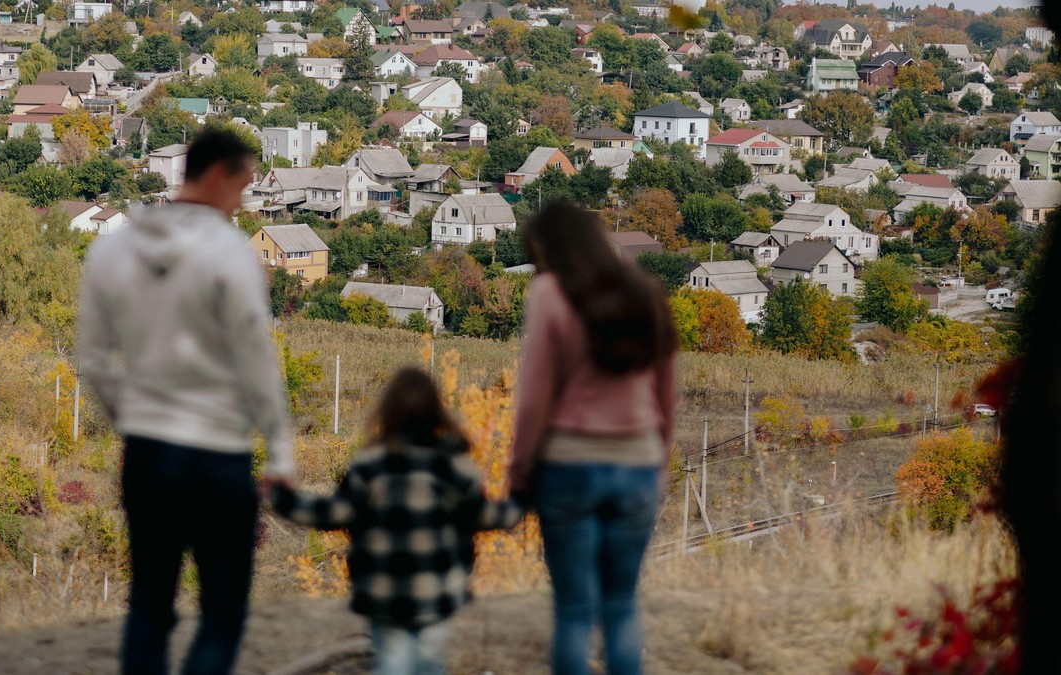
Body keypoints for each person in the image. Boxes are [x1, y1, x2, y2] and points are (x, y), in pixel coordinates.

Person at [78, 129, 293, 675]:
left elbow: (94, 360)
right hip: (218, 454)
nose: (242, 201)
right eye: (243, 185)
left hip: (148, 455)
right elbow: (256, 359)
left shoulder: (114, 249)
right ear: (218, 175)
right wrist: (279, 450)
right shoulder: (230, 254)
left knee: (150, 603)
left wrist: (133, 419)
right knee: (222, 612)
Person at [509, 201, 679, 675]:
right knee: (621, 603)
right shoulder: (645, 291)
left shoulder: (549, 293)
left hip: (569, 466)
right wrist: (657, 459)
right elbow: (668, 392)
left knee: (574, 609)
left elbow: (534, 396)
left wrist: (519, 472)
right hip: (639, 465)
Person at [269, 367, 524, 675]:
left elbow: (334, 513)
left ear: (387, 411)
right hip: (437, 590)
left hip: (383, 591)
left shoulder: (369, 465)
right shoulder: (457, 468)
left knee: (393, 664)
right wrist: (525, 496)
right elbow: (487, 517)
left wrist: (282, 497)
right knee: (429, 665)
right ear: (436, 411)